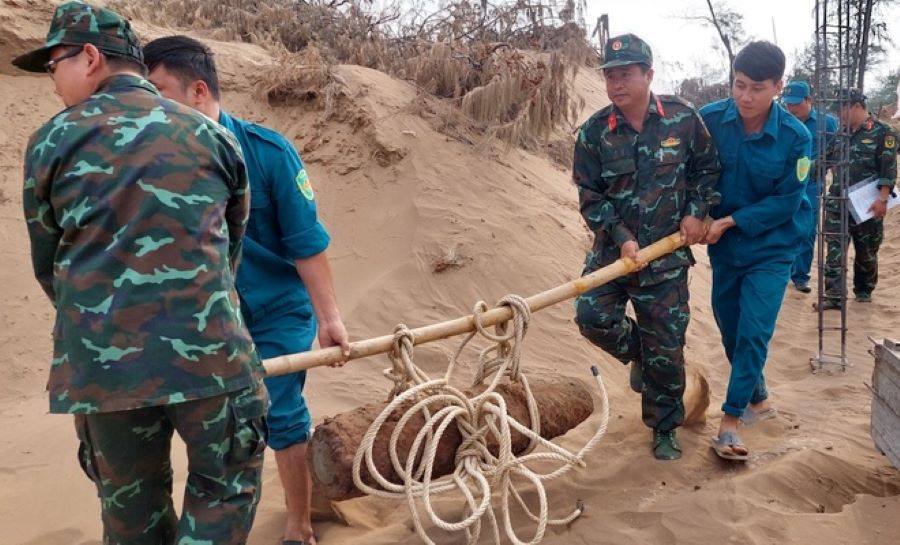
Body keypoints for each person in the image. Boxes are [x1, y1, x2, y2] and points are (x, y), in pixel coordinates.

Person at [15, 3, 267, 544]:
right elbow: (231, 246)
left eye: (53, 63)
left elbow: (50, 262)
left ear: (88, 57)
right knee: (223, 493)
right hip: (211, 359)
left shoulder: (51, 142)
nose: (52, 79)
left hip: (105, 370)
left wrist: (100, 318)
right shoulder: (210, 135)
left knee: (132, 516)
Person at [143, 35, 350, 545]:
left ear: (196, 92)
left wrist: (328, 318)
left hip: (278, 310)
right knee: (215, 419)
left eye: (158, 90)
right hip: (210, 318)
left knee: (279, 409)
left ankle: (298, 526)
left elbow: (306, 242)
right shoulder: (156, 167)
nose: (149, 105)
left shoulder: (267, 153)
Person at [573, 33, 720, 461]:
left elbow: (707, 169)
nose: (617, 84)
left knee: (668, 347)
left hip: (666, 259)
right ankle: (640, 353)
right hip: (614, 256)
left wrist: (696, 211)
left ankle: (664, 427)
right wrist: (621, 237)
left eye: (626, 74)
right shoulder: (594, 133)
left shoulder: (682, 118)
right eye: (610, 76)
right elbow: (590, 195)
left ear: (648, 74)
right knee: (591, 316)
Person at [699, 41, 812, 460]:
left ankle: (730, 422)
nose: (745, 97)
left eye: (757, 89)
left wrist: (730, 220)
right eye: (739, 85)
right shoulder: (710, 120)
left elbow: (786, 201)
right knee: (729, 327)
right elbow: (694, 175)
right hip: (726, 250)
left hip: (773, 245)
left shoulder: (796, 138)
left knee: (753, 332)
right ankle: (759, 396)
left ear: (778, 87)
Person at [819, 88, 896, 308]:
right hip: (838, 203)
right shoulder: (840, 133)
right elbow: (825, 161)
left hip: (867, 205)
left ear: (857, 106)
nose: (839, 114)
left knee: (866, 252)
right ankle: (833, 296)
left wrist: (882, 200)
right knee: (834, 250)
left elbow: (888, 170)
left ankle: (863, 290)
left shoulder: (883, 132)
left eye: (843, 109)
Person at [781, 80, 839, 293]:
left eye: (795, 104)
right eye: (788, 104)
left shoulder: (828, 124)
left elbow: (837, 153)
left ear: (809, 100)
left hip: (812, 185)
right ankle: (782, 270)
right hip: (785, 183)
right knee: (783, 225)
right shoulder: (783, 121)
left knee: (806, 228)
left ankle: (800, 276)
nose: (791, 108)